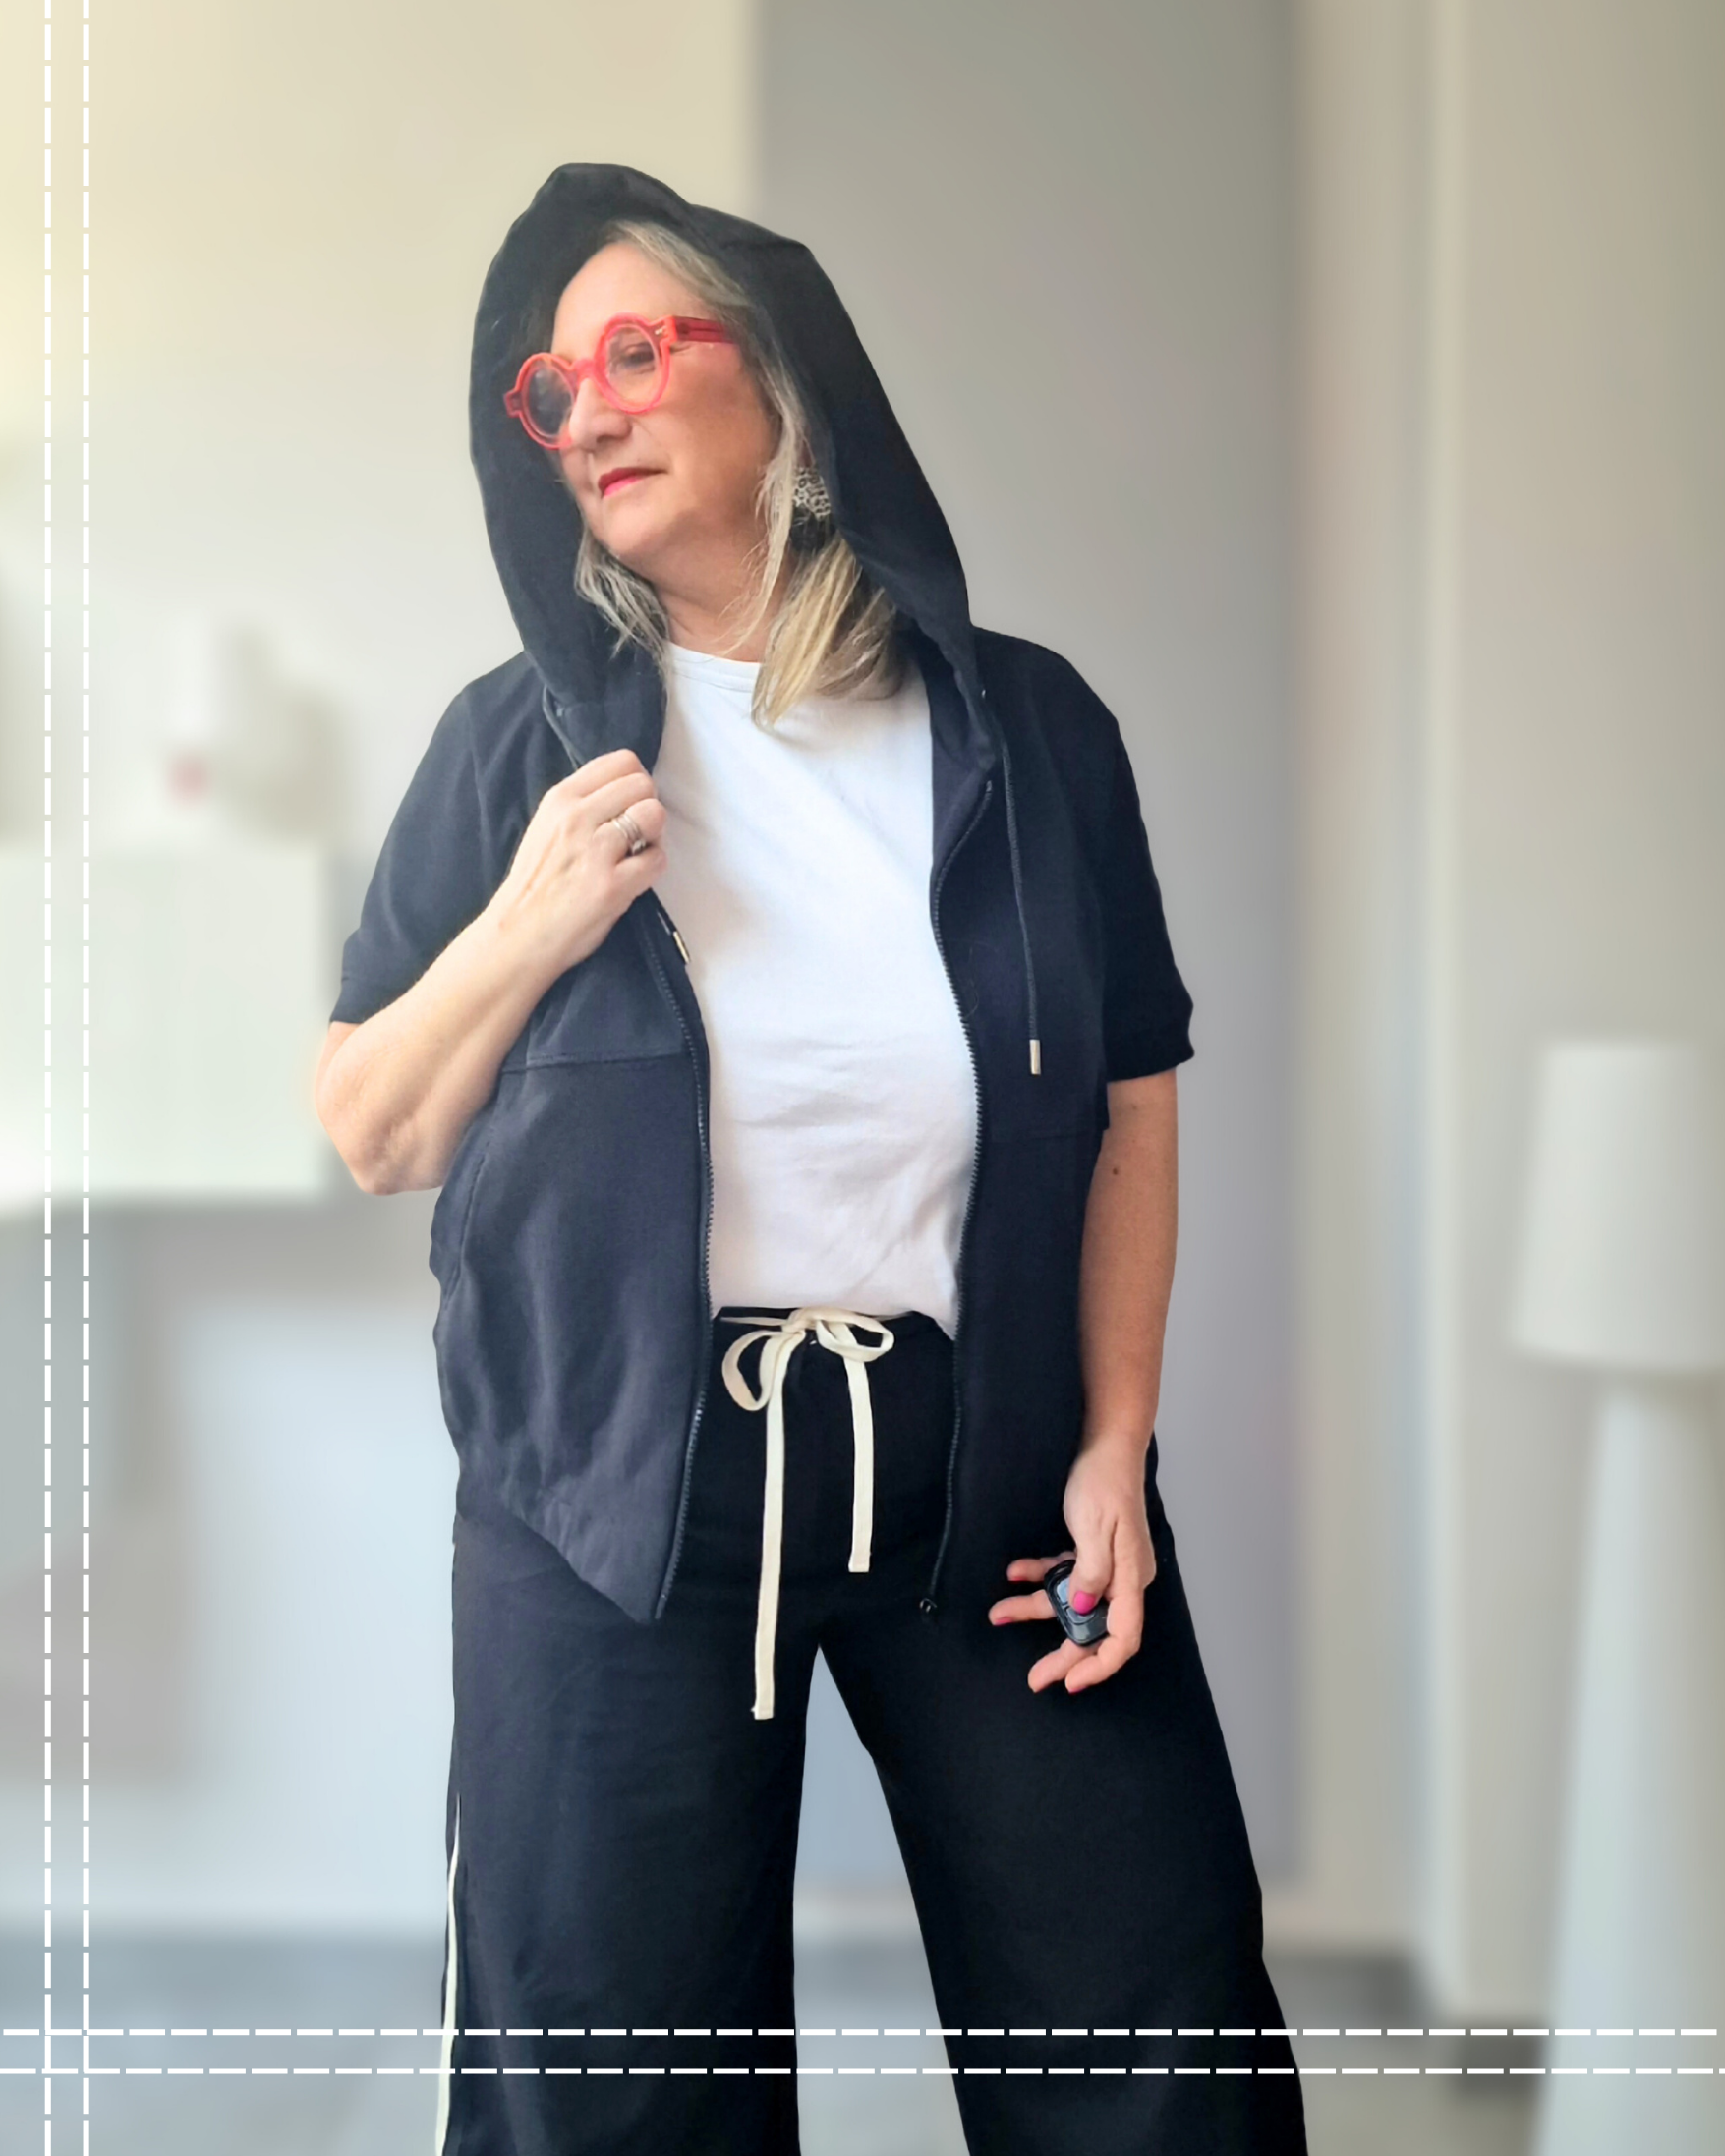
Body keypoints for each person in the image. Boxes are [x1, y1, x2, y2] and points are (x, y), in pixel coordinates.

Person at [314, 163, 1306, 2156]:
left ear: (778, 378)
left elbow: (1129, 1099)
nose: (583, 412)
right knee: (610, 2089)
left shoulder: (1030, 734)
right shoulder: (512, 752)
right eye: (547, 391)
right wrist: (525, 922)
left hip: (988, 1463)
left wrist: (1114, 1444)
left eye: (631, 352)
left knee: (1154, 2037)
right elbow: (375, 1126)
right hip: (617, 1488)